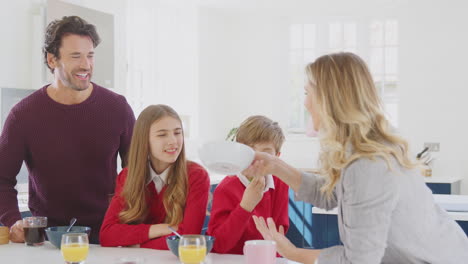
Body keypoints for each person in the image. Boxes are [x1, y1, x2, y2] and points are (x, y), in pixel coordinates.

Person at [247, 52, 468, 264]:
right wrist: (275, 166)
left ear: (330, 99)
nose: (305, 103)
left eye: (308, 93)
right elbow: (330, 194)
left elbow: (357, 261)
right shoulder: (363, 149)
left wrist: (293, 253)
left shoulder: (369, 165)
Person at [0, 16, 135, 244]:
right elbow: (2, 179)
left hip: (108, 236)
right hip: (46, 241)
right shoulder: (23, 115)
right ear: (52, 59)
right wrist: (14, 220)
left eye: (90, 55)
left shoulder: (118, 108)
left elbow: (137, 172)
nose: (86, 64)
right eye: (76, 56)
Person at [99, 104, 210, 249]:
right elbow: (107, 235)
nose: (173, 141)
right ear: (144, 140)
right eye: (162, 134)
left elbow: (186, 239)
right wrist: (161, 229)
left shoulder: (196, 176)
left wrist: (136, 244)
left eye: (177, 133)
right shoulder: (127, 176)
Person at [207, 115, 289, 255]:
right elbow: (219, 245)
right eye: (249, 149)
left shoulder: (280, 184)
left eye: (265, 152)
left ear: (277, 156)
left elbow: (278, 236)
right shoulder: (225, 189)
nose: (256, 157)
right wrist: (246, 206)